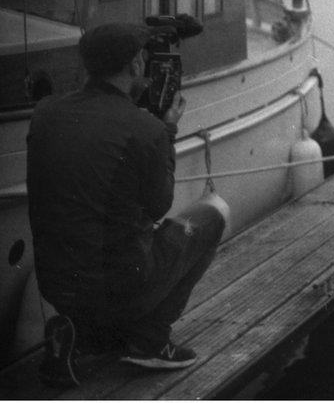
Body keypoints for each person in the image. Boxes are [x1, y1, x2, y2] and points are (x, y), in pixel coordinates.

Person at [27, 22, 225, 387]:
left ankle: (85, 335)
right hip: (118, 287)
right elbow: (158, 206)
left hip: (55, 284)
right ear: (136, 65)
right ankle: (150, 339)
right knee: (213, 215)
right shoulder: (145, 129)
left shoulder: (44, 114)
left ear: (87, 65)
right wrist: (166, 130)